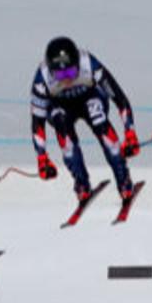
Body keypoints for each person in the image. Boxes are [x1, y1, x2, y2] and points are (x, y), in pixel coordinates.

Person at [30, 36, 142, 204]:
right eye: (60, 74)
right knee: (65, 136)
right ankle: (81, 183)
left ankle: (123, 179)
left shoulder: (89, 64)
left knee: (100, 122)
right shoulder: (42, 80)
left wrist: (130, 132)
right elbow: (37, 121)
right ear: (51, 71)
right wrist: (42, 157)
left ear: (78, 64)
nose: (67, 79)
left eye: (71, 72)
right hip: (59, 105)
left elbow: (119, 98)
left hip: (90, 97)